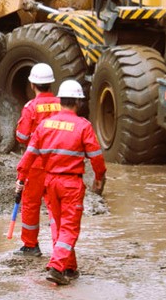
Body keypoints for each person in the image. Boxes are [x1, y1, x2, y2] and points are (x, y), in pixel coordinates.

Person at [16, 78, 106, 286]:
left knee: (59, 225)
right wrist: (99, 178)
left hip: (50, 182)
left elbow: (28, 155)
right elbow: (97, 158)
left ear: (60, 100)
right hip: (71, 184)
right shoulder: (83, 126)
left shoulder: (45, 125)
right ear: (78, 102)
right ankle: (57, 267)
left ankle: (69, 267)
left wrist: (21, 178)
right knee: (69, 228)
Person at [12, 63, 64, 258]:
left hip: (35, 164)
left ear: (32, 84)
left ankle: (31, 245)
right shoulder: (62, 104)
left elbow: (21, 137)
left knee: (31, 204)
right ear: (51, 83)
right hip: (58, 163)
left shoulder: (31, 107)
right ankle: (61, 247)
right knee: (56, 206)